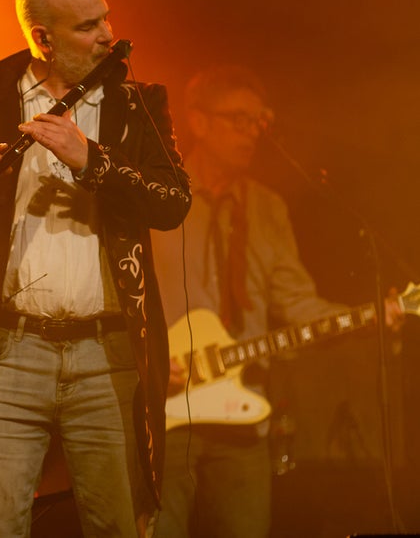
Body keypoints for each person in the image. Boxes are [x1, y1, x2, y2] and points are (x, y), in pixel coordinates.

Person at [0, 0, 191, 537]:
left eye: (106, 17)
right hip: (12, 353)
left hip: (107, 352)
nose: (108, 33)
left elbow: (173, 203)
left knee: (116, 524)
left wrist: (94, 161)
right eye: (88, 25)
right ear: (42, 38)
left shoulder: (138, 105)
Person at [149, 64, 403, 538]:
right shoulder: (159, 196)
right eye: (238, 120)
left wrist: (369, 316)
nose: (252, 133)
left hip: (244, 419)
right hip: (160, 415)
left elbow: (298, 305)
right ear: (199, 122)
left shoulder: (267, 208)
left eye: (259, 121)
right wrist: (148, 359)